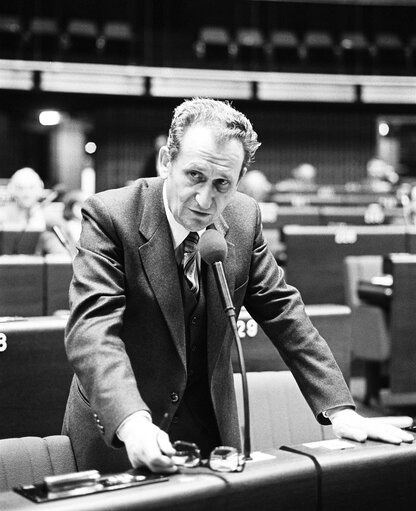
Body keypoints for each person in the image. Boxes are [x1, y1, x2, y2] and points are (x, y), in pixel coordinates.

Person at [62, 98, 413, 475]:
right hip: (119, 430)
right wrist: (131, 421)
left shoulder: (244, 218)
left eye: (222, 184)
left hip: (210, 432)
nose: (204, 199)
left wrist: (340, 409)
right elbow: (92, 331)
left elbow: (284, 313)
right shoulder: (110, 215)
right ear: (167, 160)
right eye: (194, 175)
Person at [36, 189, 88, 256]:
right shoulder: (56, 229)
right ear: (72, 206)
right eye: (80, 205)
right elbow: (61, 256)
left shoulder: (93, 229)